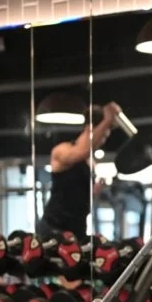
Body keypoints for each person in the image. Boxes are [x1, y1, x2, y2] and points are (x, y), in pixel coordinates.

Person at [37, 102, 121, 242]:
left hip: (77, 226)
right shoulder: (62, 150)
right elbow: (81, 152)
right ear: (89, 129)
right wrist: (107, 121)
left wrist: (94, 190)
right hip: (54, 226)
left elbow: (77, 194)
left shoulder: (91, 161)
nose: (103, 140)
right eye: (103, 135)